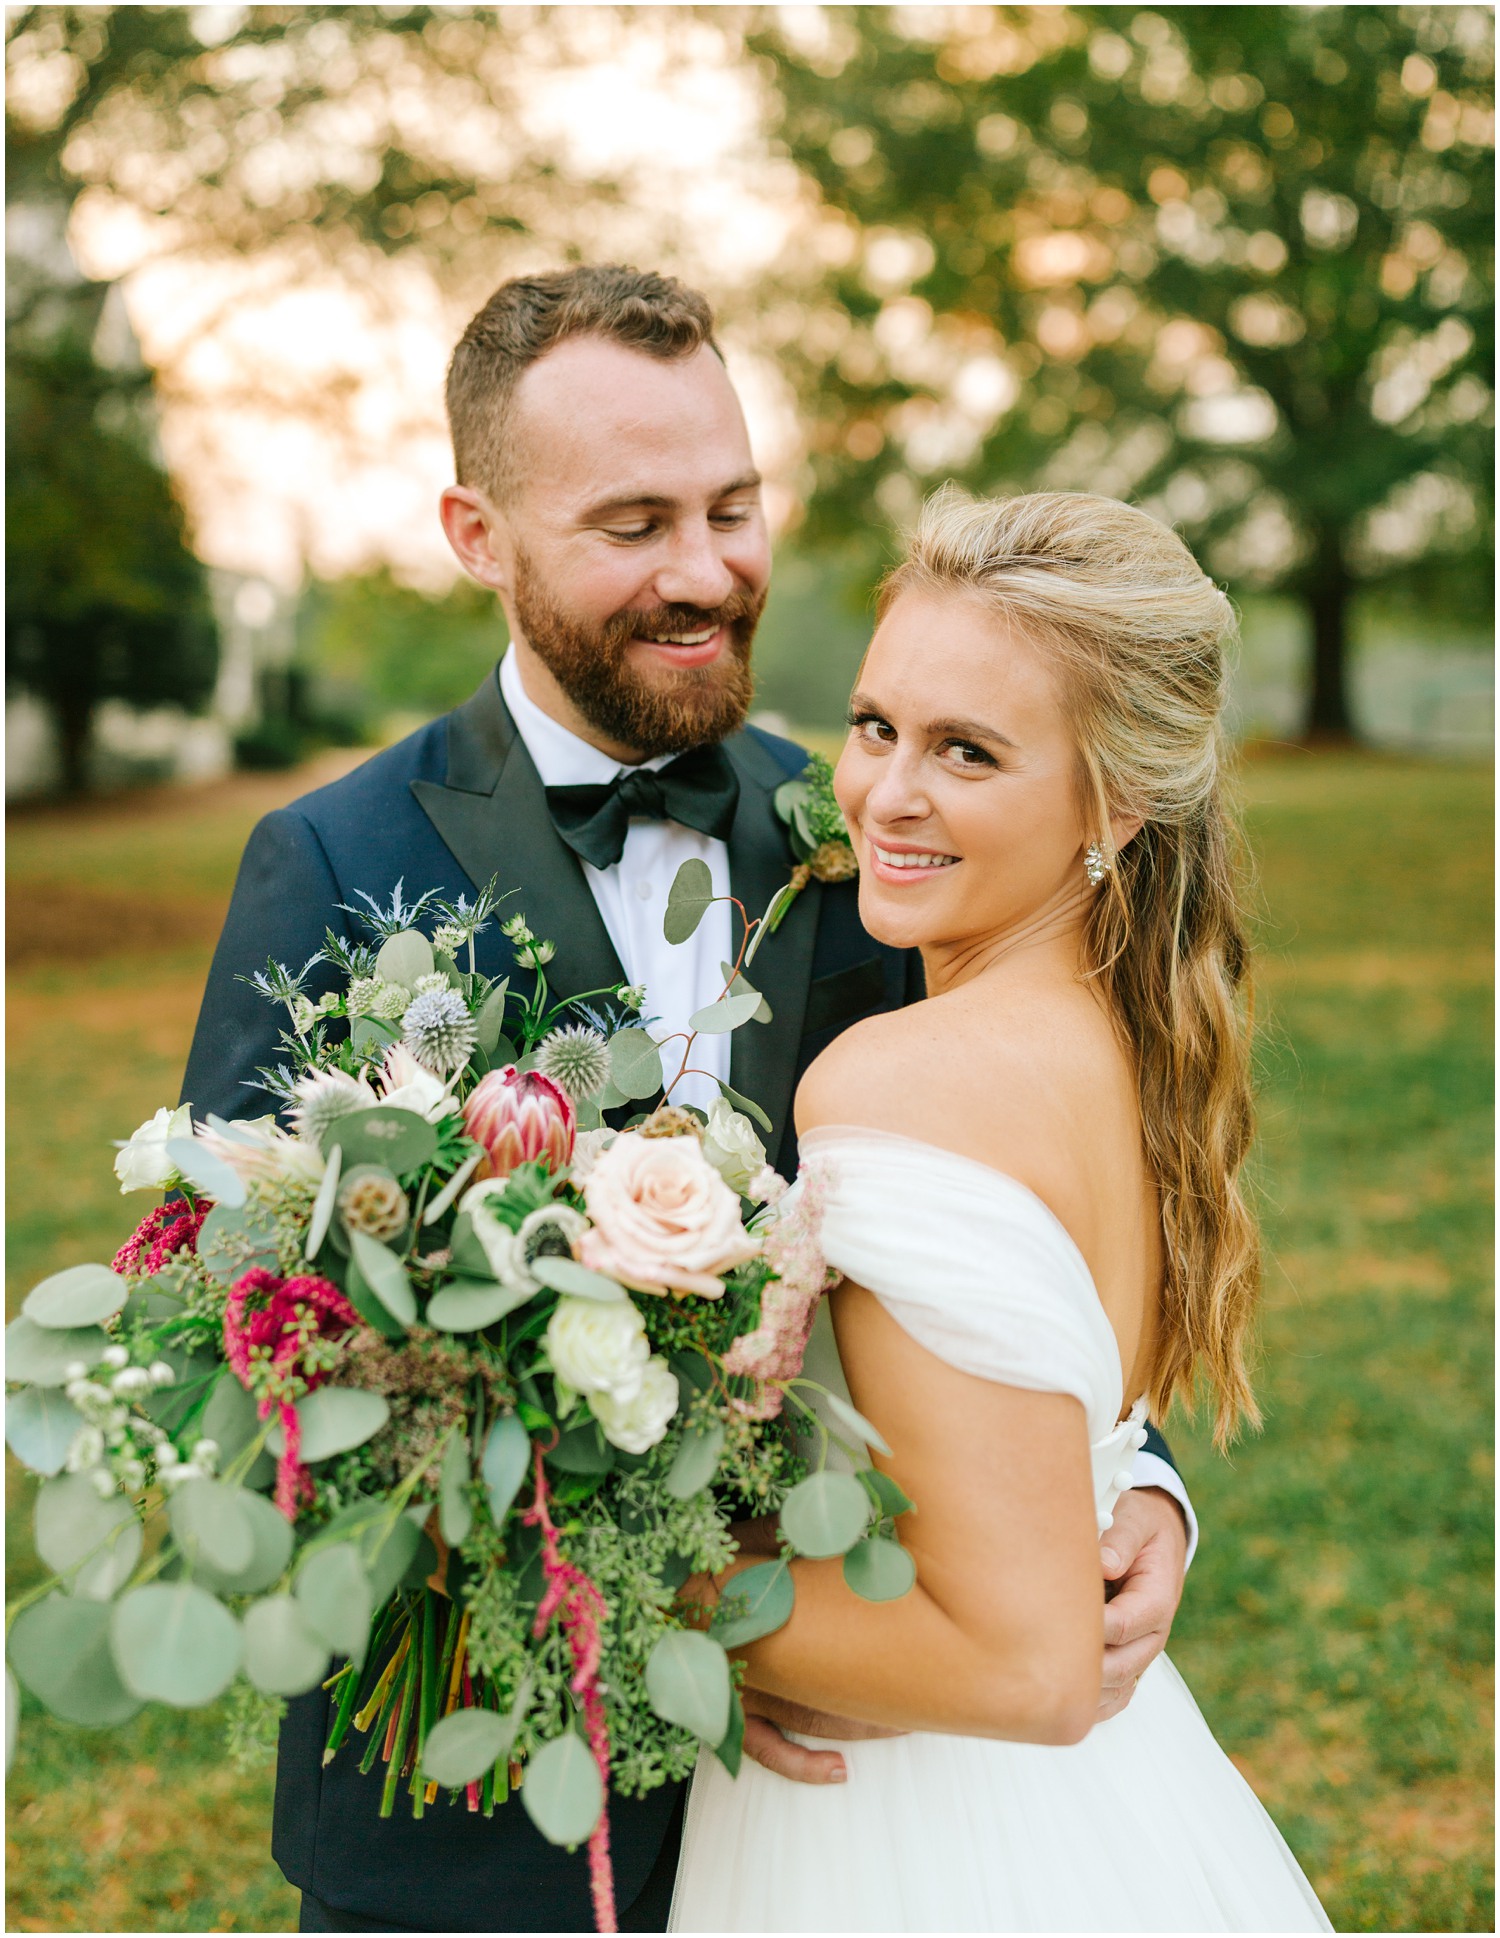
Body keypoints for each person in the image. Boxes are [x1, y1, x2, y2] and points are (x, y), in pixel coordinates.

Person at [179, 267, 1197, 1933]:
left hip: (852, 1790)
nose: (708, 570)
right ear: (476, 531)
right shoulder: (334, 861)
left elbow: (994, 1216)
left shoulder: (859, 827)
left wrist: (1142, 1486)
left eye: (735, 507)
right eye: (635, 521)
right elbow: (251, 1350)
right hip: (477, 1802)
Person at [669, 487, 1331, 1933]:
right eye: (876, 724)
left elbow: (1029, 1665)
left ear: (1118, 800)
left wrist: (636, 1597)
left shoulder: (907, 1082)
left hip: (912, 1838)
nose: (888, 794)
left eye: (968, 750)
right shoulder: (1136, 1047)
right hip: (1116, 1806)